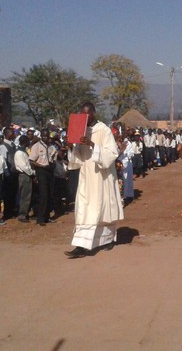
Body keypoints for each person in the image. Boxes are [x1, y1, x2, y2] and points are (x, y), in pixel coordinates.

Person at [64, 102, 124, 259]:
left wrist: (91, 144)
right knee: (84, 209)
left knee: (102, 209)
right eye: (82, 114)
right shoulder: (81, 130)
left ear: (94, 113)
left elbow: (111, 153)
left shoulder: (103, 130)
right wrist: (71, 146)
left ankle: (107, 239)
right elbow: (77, 158)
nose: (85, 117)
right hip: (86, 177)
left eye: (88, 114)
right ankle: (81, 246)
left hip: (101, 177)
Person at [29, 129, 57, 226]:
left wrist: (53, 164)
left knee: (50, 194)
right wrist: (41, 166)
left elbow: (54, 158)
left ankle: (47, 217)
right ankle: (40, 218)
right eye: (44, 136)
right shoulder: (36, 146)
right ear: (41, 136)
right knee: (43, 195)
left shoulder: (52, 147)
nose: (46, 138)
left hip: (50, 171)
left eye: (47, 136)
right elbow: (31, 161)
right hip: (41, 171)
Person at [14, 135, 35, 223]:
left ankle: (25, 213)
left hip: (26, 174)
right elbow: (24, 166)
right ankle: (22, 215)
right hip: (24, 175)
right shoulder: (19, 153)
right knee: (24, 196)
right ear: (24, 142)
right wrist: (32, 173)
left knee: (27, 195)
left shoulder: (23, 152)